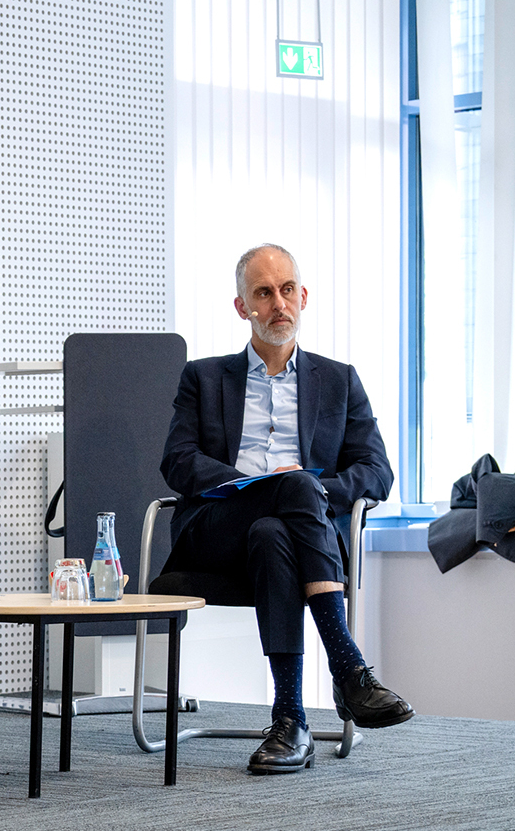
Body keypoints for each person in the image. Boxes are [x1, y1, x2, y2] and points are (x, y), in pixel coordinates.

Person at [160, 243, 412, 774]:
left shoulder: (339, 380)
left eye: (287, 289)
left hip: (292, 538)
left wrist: (308, 492)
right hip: (218, 529)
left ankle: (290, 720)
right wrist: (255, 484)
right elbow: (178, 462)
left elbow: (376, 472)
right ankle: (349, 670)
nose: (279, 303)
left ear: (303, 295)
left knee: (277, 528)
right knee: (287, 493)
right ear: (242, 307)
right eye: (264, 293)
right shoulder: (204, 378)